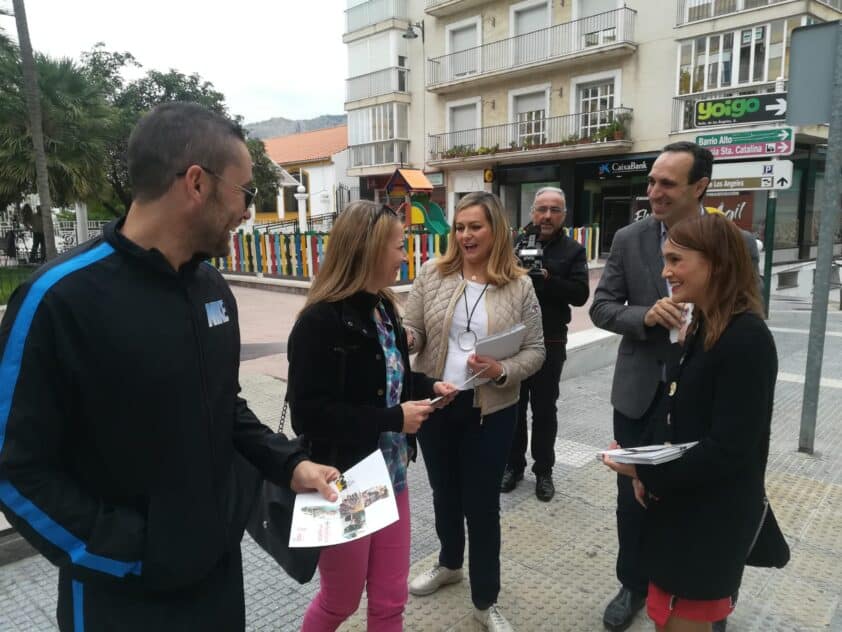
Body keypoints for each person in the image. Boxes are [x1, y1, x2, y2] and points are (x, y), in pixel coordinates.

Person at [0, 102, 338, 632]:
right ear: (197, 183)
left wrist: (290, 465)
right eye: (245, 193)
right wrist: (132, 553)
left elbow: (222, 405)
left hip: (218, 583)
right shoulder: (57, 300)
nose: (249, 210)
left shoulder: (213, 291)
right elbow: (14, 469)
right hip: (121, 599)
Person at [589, 141, 759, 632]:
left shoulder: (735, 244)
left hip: (703, 397)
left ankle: (709, 595)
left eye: (666, 183)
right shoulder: (629, 238)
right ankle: (634, 584)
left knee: (703, 495)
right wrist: (644, 315)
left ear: (699, 187)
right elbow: (602, 307)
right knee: (634, 497)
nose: (653, 192)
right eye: (651, 182)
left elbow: (747, 311)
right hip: (641, 394)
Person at [287, 200, 457, 631]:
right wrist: (392, 420)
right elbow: (308, 415)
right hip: (345, 484)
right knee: (340, 603)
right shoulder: (319, 322)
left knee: (389, 603)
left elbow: (392, 381)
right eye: (398, 247)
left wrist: (429, 387)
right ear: (367, 250)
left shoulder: (384, 310)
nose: (405, 256)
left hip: (392, 478)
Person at [404, 191, 545, 632]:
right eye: (460, 227)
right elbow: (414, 327)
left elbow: (537, 350)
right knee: (444, 492)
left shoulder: (519, 285)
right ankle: (449, 563)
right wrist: (406, 339)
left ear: (495, 230)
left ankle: (486, 600)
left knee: (482, 506)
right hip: (438, 403)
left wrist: (503, 368)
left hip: (492, 410)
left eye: (475, 227)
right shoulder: (432, 273)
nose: (465, 235)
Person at [501, 186, 589, 501]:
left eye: (554, 210)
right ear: (532, 212)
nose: (547, 216)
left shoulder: (573, 250)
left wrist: (548, 280)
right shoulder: (516, 244)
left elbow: (580, 295)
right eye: (541, 209)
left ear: (564, 215)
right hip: (514, 340)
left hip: (550, 340)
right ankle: (513, 466)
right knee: (513, 408)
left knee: (544, 410)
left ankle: (544, 471)